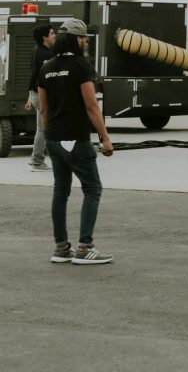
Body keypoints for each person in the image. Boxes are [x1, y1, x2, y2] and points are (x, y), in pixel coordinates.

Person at [38, 18, 114, 265]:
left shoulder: (46, 67)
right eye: (83, 39)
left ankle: (61, 248)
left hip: (54, 138)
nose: (85, 42)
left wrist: (50, 136)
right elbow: (92, 105)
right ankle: (85, 248)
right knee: (93, 189)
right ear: (77, 39)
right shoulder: (81, 66)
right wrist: (105, 138)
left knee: (61, 191)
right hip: (76, 139)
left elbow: (44, 109)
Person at [25, 21, 56, 170]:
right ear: (45, 37)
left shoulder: (36, 50)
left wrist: (30, 96)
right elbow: (46, 78)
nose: (54, 35)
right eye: (51, 33)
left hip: (35, 93)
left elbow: (33, 75)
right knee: (44, 128)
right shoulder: (46, 54)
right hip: (42, 94)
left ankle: (37, 159)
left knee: (42, 128)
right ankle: (37, 160)